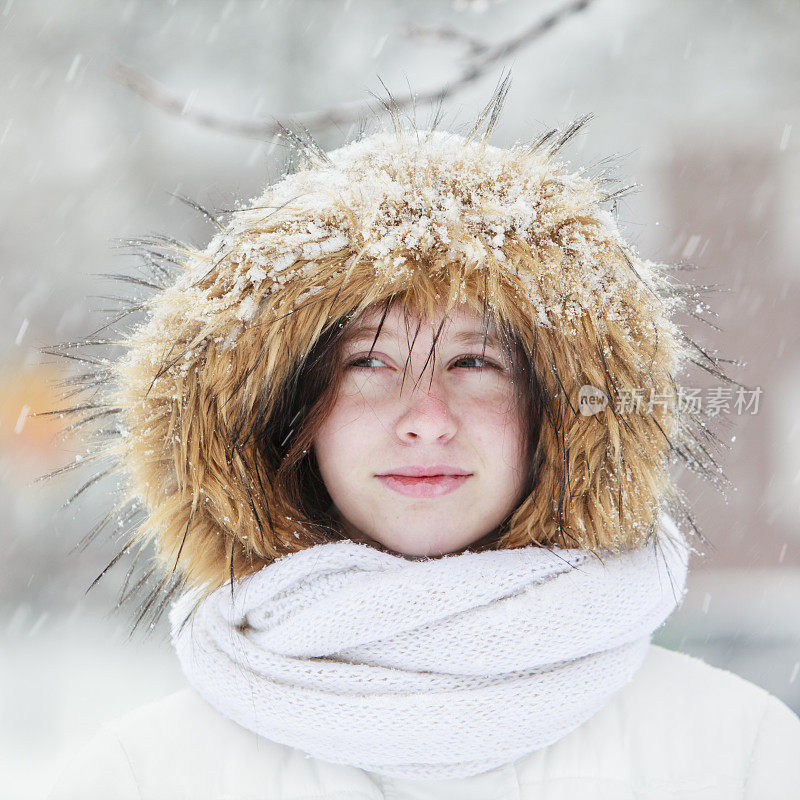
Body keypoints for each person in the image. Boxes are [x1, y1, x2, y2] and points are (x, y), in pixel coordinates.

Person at [46, 92, 800, 798]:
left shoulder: (733, 756)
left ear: (561, 416)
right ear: (277, 414)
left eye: (474, 362)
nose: (427, 418)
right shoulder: (145, 776)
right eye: (368, 363)